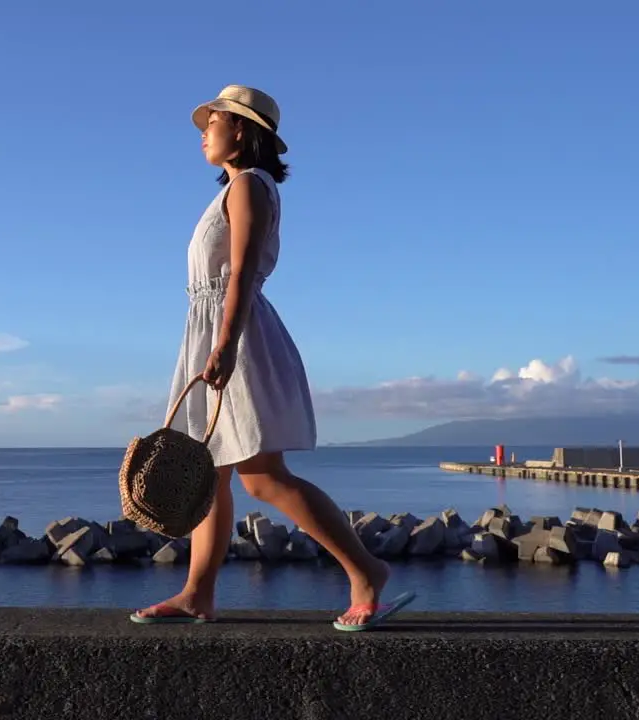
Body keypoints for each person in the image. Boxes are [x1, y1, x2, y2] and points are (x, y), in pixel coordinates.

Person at [130, 85, 414, 631]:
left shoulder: (249, 187)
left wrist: (225, 345)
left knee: (261, 476)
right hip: (217, 330)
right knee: (209, 475)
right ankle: (197, 594)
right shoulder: (235, 190)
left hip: (233, 333)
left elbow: (240, 273)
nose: (203, 134)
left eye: (210, 123)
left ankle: (366, 572)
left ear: (240, 128)